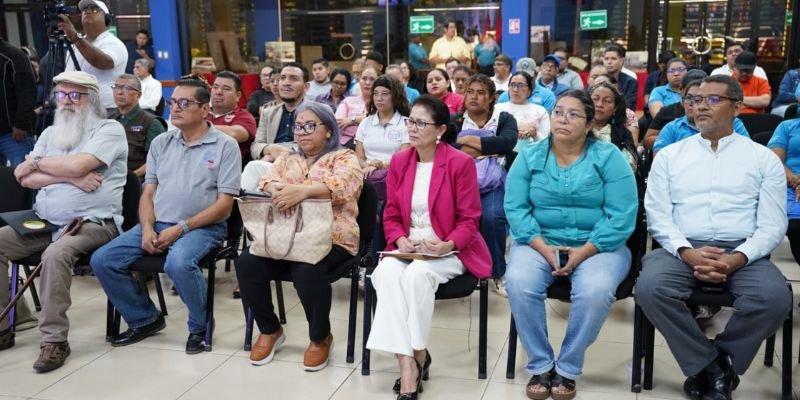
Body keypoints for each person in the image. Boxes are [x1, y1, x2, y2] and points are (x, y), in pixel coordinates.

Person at [635, 75, 791, 400]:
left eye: (712, 99)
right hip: (682, 247)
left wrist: (737, 258)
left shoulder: (763, 159)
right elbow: (658, 214)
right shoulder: (670, 156)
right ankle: (711, 367)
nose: (701, 106)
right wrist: (686, 251)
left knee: (774, 299)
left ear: (737, 106)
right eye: (696, 100)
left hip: (744, 250)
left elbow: (774, 223)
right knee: (650, 288)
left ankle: (720, 358)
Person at [504, 89, 638, 400]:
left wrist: (585, 251)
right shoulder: (530, 155)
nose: (563, 119)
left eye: (573, 114)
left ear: (590, 123)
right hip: (539, 241)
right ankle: (540, 364)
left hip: (599, 245)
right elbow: (516, 209)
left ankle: (567, 368)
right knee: (519, 281)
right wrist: (540, 246)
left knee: (595, 290)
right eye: (558, 112)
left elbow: (621, 216)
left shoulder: (609, 158)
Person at [91, 78, 241, 354]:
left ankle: (199, 325)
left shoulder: (224, 146)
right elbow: (148, 194)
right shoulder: (162, 142)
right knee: (103, 260)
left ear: (205, 109)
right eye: (173, 102)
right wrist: (147, 228)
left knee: (178, 264)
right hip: (157, 223)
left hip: (203, 227)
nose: (176, 108)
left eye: (185, 103)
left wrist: (181, 228)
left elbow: (224, 205)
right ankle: (145, 318)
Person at [0, 71, 128, 372]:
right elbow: (23, 177)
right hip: (45, 220)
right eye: (61, 95)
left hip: (94, 222)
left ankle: (55, 340)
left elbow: (80, 164)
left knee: (55, 254)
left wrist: (39, 164)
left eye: (75, 95)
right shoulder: (49, 134)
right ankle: (6, 324)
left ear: (92, 100)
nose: (67, 102)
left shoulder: (108, 129)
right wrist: (71, 176)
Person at [366, 95, 491, 399]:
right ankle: (411, 360)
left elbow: (470, 219)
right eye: (410, 121)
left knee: (417, 275)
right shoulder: (400, 161)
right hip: (409, 246)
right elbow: (392, 213)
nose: (412, 127)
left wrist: (447, 243)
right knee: (384, 274)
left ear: (440, 130)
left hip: (450, 248)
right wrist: (398, 238)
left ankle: (414, 361)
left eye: (421, 123)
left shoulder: (459, 163)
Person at [239, 101, 363, 371]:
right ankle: (270, 330)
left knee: (306, 269)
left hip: (334, 236)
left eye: (310, 126)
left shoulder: (345, 157)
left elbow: (343, 187)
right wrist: (278, 189)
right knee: (247, 262)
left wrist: (303, 192)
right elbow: (265, 180)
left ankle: (320, 337)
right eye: (298, 126)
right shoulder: (288, 157)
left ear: (329, 130)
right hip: (287, 235)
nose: (303, 132)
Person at [454, 75, 517, 296]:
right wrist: (489, 146)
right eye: (470, 91)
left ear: (491, 98)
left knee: (492, 217)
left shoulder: (504, 118)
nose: (473, 96)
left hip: (493, 181)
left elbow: (508, 142)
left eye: (480, 92)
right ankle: (461, 269)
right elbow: (447, 146)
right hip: (459, 182)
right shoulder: (456, 120)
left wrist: (466, 141)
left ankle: (497, 273)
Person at [355, 75, 410, 259]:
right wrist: (368, 165)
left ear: (395, 96)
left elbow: (405, 156)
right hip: (366, 174)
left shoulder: (404, 123)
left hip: (395, 176)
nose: (379, 98)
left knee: (380, 210)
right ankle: (360, 254)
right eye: (376, 94)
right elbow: (359, 156)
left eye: (385, 94)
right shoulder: (366, 122)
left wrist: (380, 164)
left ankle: (375, 254)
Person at [59, 0, 128, 111]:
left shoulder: (113, 43)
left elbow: (103, 62)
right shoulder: (76, 44)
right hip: (75, 108)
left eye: (94, 9)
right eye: (85, 10)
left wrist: (75, 37)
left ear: (107, 18)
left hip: (104, 110)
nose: (88, 12)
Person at [650, 79, 750, 154]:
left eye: (712, 100)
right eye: (694, 99)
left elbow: (746, 157)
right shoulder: (672, 128)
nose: (701, 106)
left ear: (736, 108)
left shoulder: (734, 124)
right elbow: (660, 165)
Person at [108, 74, 166, 177]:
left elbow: (159, 158)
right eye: (116, 87)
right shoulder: (107, 119)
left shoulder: (151, 122)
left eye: (126, 88)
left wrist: (133, 177)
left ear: (138, 95)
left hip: (135, 179)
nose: (119, 92)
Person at [643, 69, 710, 150]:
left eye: (699, 97)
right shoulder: (672, 125)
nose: (693, 102)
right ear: (681, 90)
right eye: (690, 96)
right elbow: (648, 141)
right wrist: (675, 141)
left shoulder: (715, 120)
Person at [0, 35, 36, 167]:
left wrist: (21, 124)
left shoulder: (15, 56)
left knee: (24, 179)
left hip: (14, 134)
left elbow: (27, 91)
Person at [493, 71, 550, 151]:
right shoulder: (496, 109)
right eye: (512, 85)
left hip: (531, 154)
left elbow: (546, 142)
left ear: (529, 90)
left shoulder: (540, 111)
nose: (515, 89)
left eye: (521, 85)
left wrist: (534, 134)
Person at [207, 71, 257, 160]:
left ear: (238, 95)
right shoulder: (201, 113)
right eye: (215, 87)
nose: (218, 92)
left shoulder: (244, 117)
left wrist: (197, 127)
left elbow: (234, 134)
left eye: (226, 89)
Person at [588, 82, 639, 168]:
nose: (599, 104)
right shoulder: (577, 127)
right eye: (595, 99)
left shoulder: (622, 133)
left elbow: (630, 164)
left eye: (607, 101)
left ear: (615, 108)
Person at [336, 65, 377, 146]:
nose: (367, 83)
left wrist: (353, 120)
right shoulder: (348, 101)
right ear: (359, 81)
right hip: (345, 144)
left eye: (372, 79)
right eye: (364, 78)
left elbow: (378, 121)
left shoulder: (381, 103)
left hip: (371, 144)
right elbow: (338, 123)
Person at [602, 44, 637, 110]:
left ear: (621, 61)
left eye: (613, 58)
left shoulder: (630, 81)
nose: (609, 62)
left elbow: (630, 107)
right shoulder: (597, 78)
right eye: (606, 59)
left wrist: (617, 94)